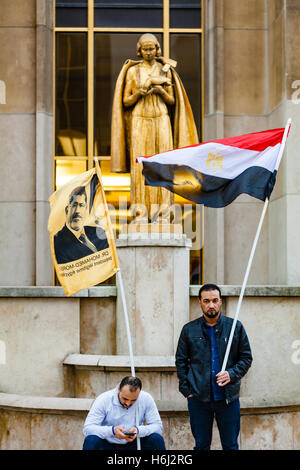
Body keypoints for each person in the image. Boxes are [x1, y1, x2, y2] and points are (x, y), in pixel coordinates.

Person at [110, 33, 198, 222]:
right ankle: (140, 213)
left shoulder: (165, 69)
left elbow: (172, 100)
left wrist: (159, 90)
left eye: (151, 48)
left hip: (161, 118)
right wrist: (139, 93)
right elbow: (125, 101)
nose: (148, 52)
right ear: (139, 50)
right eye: (145, 49)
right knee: (141, 166)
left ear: (157, 49)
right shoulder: (133, 72)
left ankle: (163, 214)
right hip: (140, 119)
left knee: (163, 165)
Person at [175, 283, 252, 450]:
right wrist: (186, 390)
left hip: (228, 398)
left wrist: (231, 374)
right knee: (201, 445)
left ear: (220, 302)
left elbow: (246, 358)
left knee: (230, 445)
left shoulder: (235, 327)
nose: (211, 305)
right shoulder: (189, 330)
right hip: (198, 398)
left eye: (215, 300)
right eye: (206, 301)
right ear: (199, 303)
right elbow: (181, 361)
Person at [82, 376, 166, 451]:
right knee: (91, 440)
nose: (128, 403)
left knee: (156, 439)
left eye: (133, 400)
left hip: (135, 443)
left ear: (139, 393)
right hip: (107, 444)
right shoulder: (103, 399)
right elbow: (88, 429)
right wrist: (112, 431)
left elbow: (158, 427)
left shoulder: (146, 398)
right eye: (125, 399)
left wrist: (139, 430)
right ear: (119, 389)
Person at [54, 186, 108, 264]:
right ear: (67, 210)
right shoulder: (58, 241)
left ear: (86, 210)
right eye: (74, 205)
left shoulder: (98, 233)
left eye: (81, 205)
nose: (77, 211)